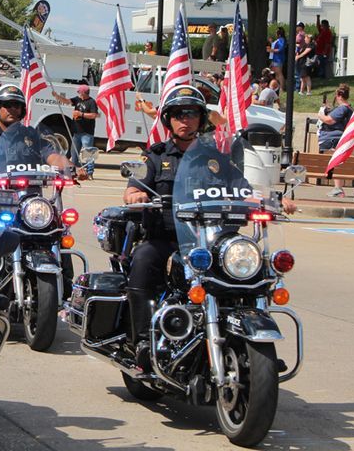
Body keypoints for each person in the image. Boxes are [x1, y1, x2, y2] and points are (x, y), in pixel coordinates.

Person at [123, 86, 294, 368]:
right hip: (169, 239)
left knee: (255, 272)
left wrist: (273, 199)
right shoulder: (154, 157)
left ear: (201, 120)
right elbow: (132, 189)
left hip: (213, 243)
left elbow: (244, 190)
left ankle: (250, 339)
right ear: (168, 120)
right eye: (178, 114)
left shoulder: (218, 160)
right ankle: (142, 341)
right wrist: (136, 196)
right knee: (142, 260)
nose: (184, 120)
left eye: (191, 114)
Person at [0, 85, 72, 176]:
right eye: (7, 105)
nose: (12, 109)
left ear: (22, 110)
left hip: (28, 193)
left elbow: (53, 156)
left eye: (16, 105)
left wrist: (70, 167)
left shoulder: (33, 135)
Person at [317, 84, 353, 197]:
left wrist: (321, 115)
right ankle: (338, 188)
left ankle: (338, 188)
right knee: (338, 162)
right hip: (342, 140)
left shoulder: (342, 108)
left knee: (335, 163)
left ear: (339, 96)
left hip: (334, 140)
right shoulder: (350, 109)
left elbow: (329, 120)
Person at [67, 84, 98, 178]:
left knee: (88, 153)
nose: (78, 93)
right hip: (77, 132)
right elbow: (67, 101)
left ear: (84, 93)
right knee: (74, 153)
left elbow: (94, 115)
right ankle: (72, 171)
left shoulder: (91, 102)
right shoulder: (77, 99)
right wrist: (57, 96)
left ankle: (90, 172)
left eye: (79, 92)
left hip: (86, 133)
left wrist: (81, 114)